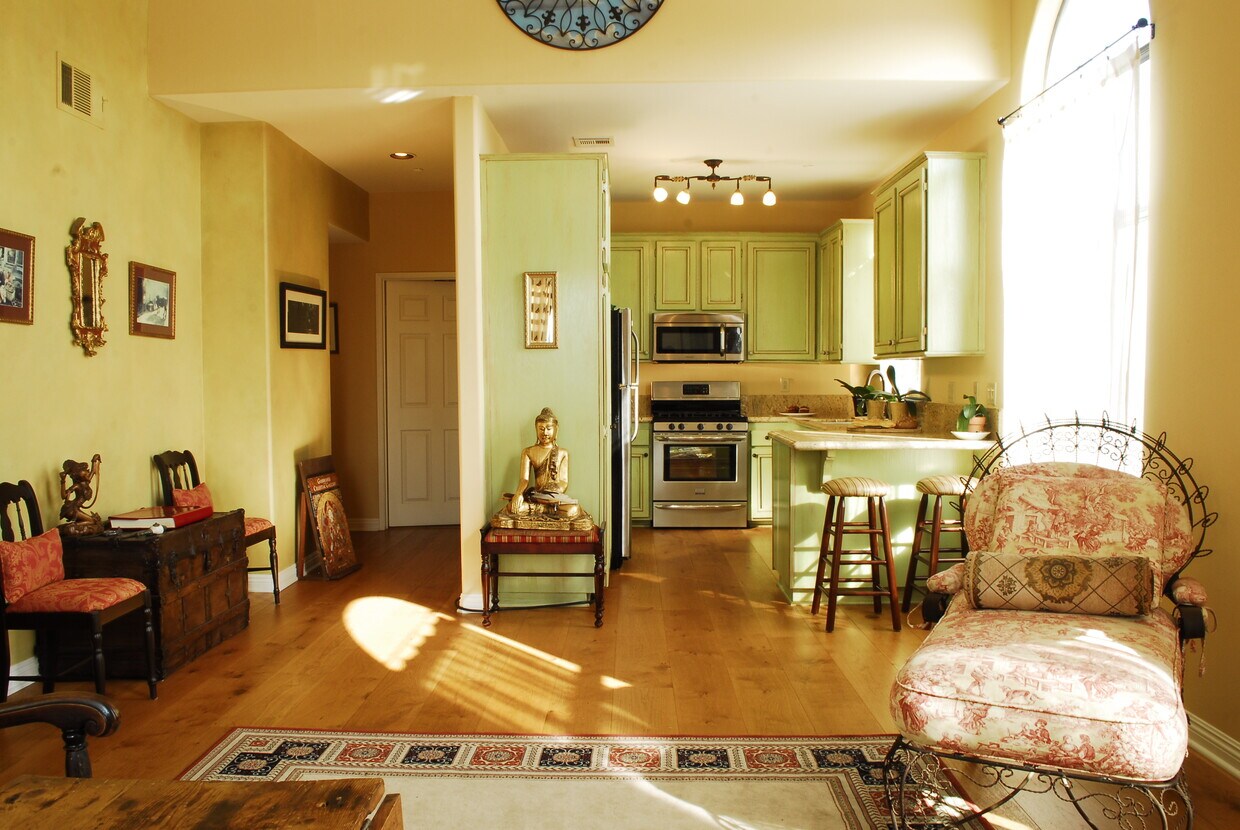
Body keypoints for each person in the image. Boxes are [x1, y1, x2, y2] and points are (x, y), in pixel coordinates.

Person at [492, 407, 592, 530]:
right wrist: (518, 494)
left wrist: (553, 490)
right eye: (541, 428)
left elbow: (564, 482)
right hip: (537, 496)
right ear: (536, 430)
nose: (545, 433)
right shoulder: (528, 452)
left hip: (553, 499)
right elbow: (524, 479)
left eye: (549, 429)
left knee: (573, 510)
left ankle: (542, 509)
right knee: (514, 508)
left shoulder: (562, 453)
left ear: (556, 430)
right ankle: (543, 509)